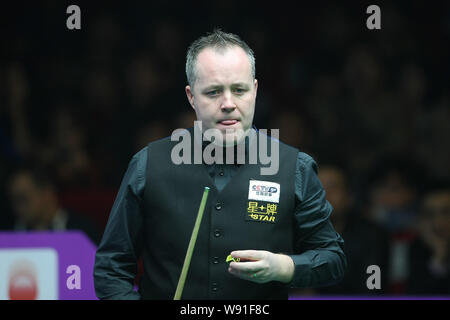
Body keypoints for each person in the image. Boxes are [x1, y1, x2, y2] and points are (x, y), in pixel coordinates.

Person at [94, 29, 346, 300]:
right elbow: (111, 268)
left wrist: (284, 266)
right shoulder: (148, 165)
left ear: (256, 90)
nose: (228, 103)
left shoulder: (295, 168)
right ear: (191, 97)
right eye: (213, 92)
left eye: (239, 90)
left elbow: (332, 259)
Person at [6, 165, 101, 245]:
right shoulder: (8, 236)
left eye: (23, 198)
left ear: (47, 193)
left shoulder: (83, 232)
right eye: (13, 199)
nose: (17, 206)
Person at [406, 182, 450, 294]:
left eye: (446, 212)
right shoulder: (415, 248)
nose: (438, 222)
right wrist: (438, 259)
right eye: (430, 214)